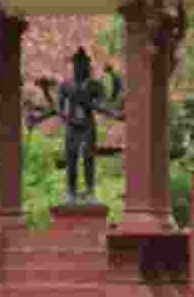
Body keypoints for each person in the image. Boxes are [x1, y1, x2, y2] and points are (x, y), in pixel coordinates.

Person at [31, 47, 124, 205]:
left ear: (88, 66)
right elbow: (58, 107)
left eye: (84, 65)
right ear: (74, 66)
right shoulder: (66, 86)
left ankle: (90, 191)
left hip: (88, 126)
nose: (82, 68)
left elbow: (102, 103)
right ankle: (71, 192)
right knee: (71, 159)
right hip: (71, 126)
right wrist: (66, 118)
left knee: (89, 158)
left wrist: (113, 113)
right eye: (78, 65)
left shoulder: (95, 85)